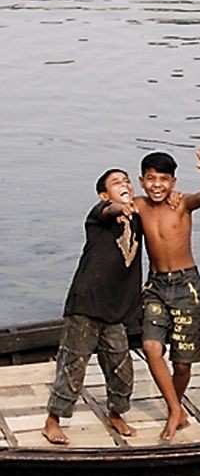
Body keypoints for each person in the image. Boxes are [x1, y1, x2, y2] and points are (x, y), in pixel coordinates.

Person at [42, 169, 143, 445]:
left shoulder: (138, 216)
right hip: (87, 302)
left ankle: (116, 413)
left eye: (127, 181)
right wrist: (119, 206)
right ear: (103, 194)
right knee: (73, 363)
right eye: (116, 183)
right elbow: (109, 210)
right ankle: (53, 419)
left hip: (115, 308)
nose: (124, 185)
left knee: (120, 364)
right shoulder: (99, 216)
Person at [134, 148, 200, 441]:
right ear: (141, 181)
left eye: (163, 180)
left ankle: (177, 405)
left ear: (173, 182)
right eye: (151, 179)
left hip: (186, 286)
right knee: (151, 347)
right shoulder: (138, 206)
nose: (157, 185)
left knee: (182, 363)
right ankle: (175, 410)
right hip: (155, 285)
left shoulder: (181, 204)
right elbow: (113, 205)